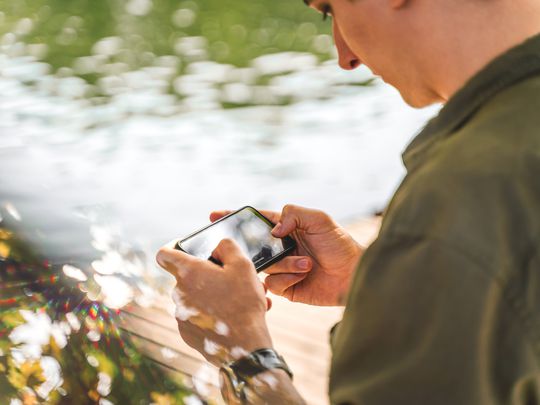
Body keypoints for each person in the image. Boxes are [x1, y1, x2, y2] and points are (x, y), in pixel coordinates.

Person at [156, 0, 540, 403]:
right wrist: (376, 280)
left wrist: (241, 354)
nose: (345, 56)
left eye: (330, 10)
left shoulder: (458, 196)